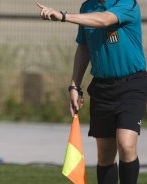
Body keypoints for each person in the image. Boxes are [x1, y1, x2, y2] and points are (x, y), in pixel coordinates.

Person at [36, 0, 146, 183]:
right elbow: (84, 46)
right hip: (102, 88)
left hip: (131, 85)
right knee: (105, 154)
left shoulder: (128, 3)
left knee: (126, 145)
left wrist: (63, 16)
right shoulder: (87, 7)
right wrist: (74, 85)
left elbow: (104, 20)